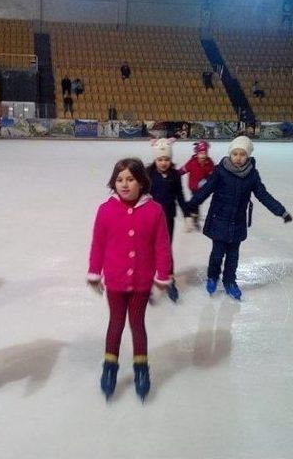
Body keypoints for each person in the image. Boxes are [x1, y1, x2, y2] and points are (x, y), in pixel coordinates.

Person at [87, 158, 172, 401]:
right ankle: (110, 368)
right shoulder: (105, 210)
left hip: (141, 282)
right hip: (114, 280)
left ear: (142, 182)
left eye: (130, 179)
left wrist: (162, 276)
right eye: (120, 179)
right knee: (115, 323)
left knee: (137, 324)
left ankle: (141, 369)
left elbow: (162, 247)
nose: (124, 184)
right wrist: (94, 272)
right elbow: (98, 245)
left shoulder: (154, 211)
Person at [186, 136, 292, 301]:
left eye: (242, 154)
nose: (238, 157)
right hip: (219, 220)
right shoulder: (221, 171)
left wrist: (281, 211)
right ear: (230, 154)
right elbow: (205, 190)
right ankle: (212, 277)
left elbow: (263, 195)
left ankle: (230, 282)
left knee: (233, 257)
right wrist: (191, 204)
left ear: (248, 156)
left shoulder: (252, 175)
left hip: (237, 223)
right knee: (217, 254)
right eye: (235, 153)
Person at [146, 139, 187, 302]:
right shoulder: (148, 174)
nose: (163, 163)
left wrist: (187, 214)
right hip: (149, 219)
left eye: (167, 159)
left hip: (168, 218)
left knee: (165, 251)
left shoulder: (175, 175)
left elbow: (180, 195)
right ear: (155, 160)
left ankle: (169, 279)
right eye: (160, 159)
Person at [178, 140, 215, 232]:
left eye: (205, 153)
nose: (203, 155)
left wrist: (207, 180)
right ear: (197, 153)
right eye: (201, 153)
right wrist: (175, 174)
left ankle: (192, 215)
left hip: (203, 188)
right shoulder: (192, 162)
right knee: (195, 202)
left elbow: (213, 174)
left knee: (196, 203)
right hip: (193, 187)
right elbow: (183, 169)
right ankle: (192, 217)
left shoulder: (209, 163)